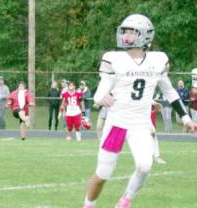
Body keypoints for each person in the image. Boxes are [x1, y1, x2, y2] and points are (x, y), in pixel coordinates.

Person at [83, 14, 197, 208]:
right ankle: (88, 205)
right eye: (125, 30)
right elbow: (101, 90)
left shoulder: (158, 60)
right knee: (103, 174)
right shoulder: (115, 59)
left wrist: (186, 119)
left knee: (145, 165)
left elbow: (169, 91)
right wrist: (100, 98)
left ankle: (125, 201)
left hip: (141, 125)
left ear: (144, 35)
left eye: (131, 31)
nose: (125, 35)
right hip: (117, 124)